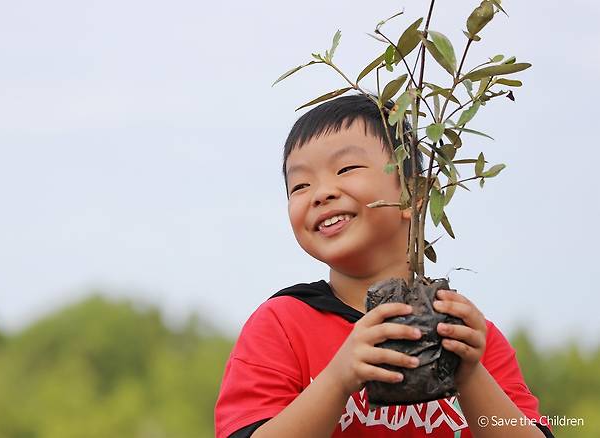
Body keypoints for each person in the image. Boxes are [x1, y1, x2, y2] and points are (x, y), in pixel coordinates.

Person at [214, 93, 554, 437]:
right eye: (300, 185)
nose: (321, 193)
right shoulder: (282, 325)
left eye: (346, 168)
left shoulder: (468, 335)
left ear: (415, 194)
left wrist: (468, 373)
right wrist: (337, 379)